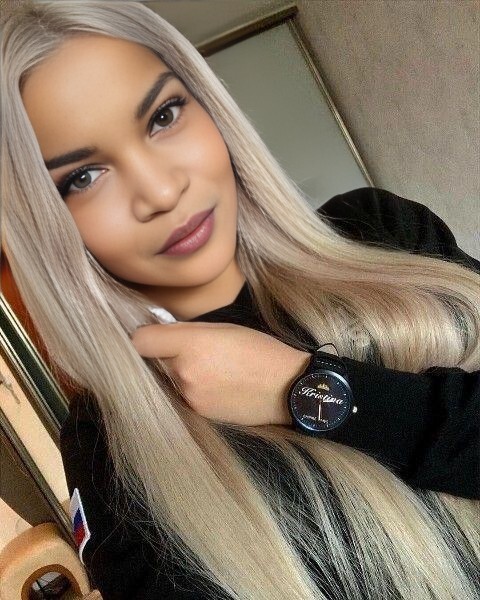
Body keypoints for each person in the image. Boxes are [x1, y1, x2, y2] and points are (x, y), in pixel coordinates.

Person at [1, 2, 479, 599]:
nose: (161, 190)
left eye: (163, 116)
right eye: (83, 177)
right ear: (47, 228)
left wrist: (297, 387)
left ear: (209, 107)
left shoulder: (378, 229)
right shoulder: (108, 443)